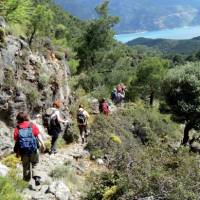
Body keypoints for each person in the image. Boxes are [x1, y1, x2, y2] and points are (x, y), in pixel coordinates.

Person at [14, 112, 45, 186]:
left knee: (26, 166)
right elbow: (38, 135)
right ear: (26, 117)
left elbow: (17, 141)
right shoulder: (31, 125)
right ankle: (37, 178)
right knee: (35, 163)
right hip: (33, 149)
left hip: (24, 151)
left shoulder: (17, 128)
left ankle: (25, 183)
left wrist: (17, 152)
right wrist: (42, 144)